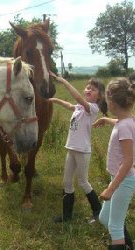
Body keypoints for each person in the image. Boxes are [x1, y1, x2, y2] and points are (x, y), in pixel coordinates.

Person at [92, 75, 135, 250]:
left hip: (124, 181)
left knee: (114, 226)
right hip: (120, 179)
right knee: (104, 218)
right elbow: (121, 122)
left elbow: (128, 160)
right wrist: (106, 121)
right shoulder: (127, 120)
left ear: (111, 102)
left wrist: (112, 188)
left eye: (107, 98)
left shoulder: (124, 128)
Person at [49, 71, 107, 224]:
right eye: (87, 87)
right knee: (67, 182)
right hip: (72, 149)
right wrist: (54, 100)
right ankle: (67, 216)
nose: (88, 90)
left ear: (99, 96)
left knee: (83, 182)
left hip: (82, 151)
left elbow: (77, 98)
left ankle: (98, 211)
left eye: (93, 89)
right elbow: (69, 104)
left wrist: (63, 81)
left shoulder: (92, 109)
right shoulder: (79, 108)